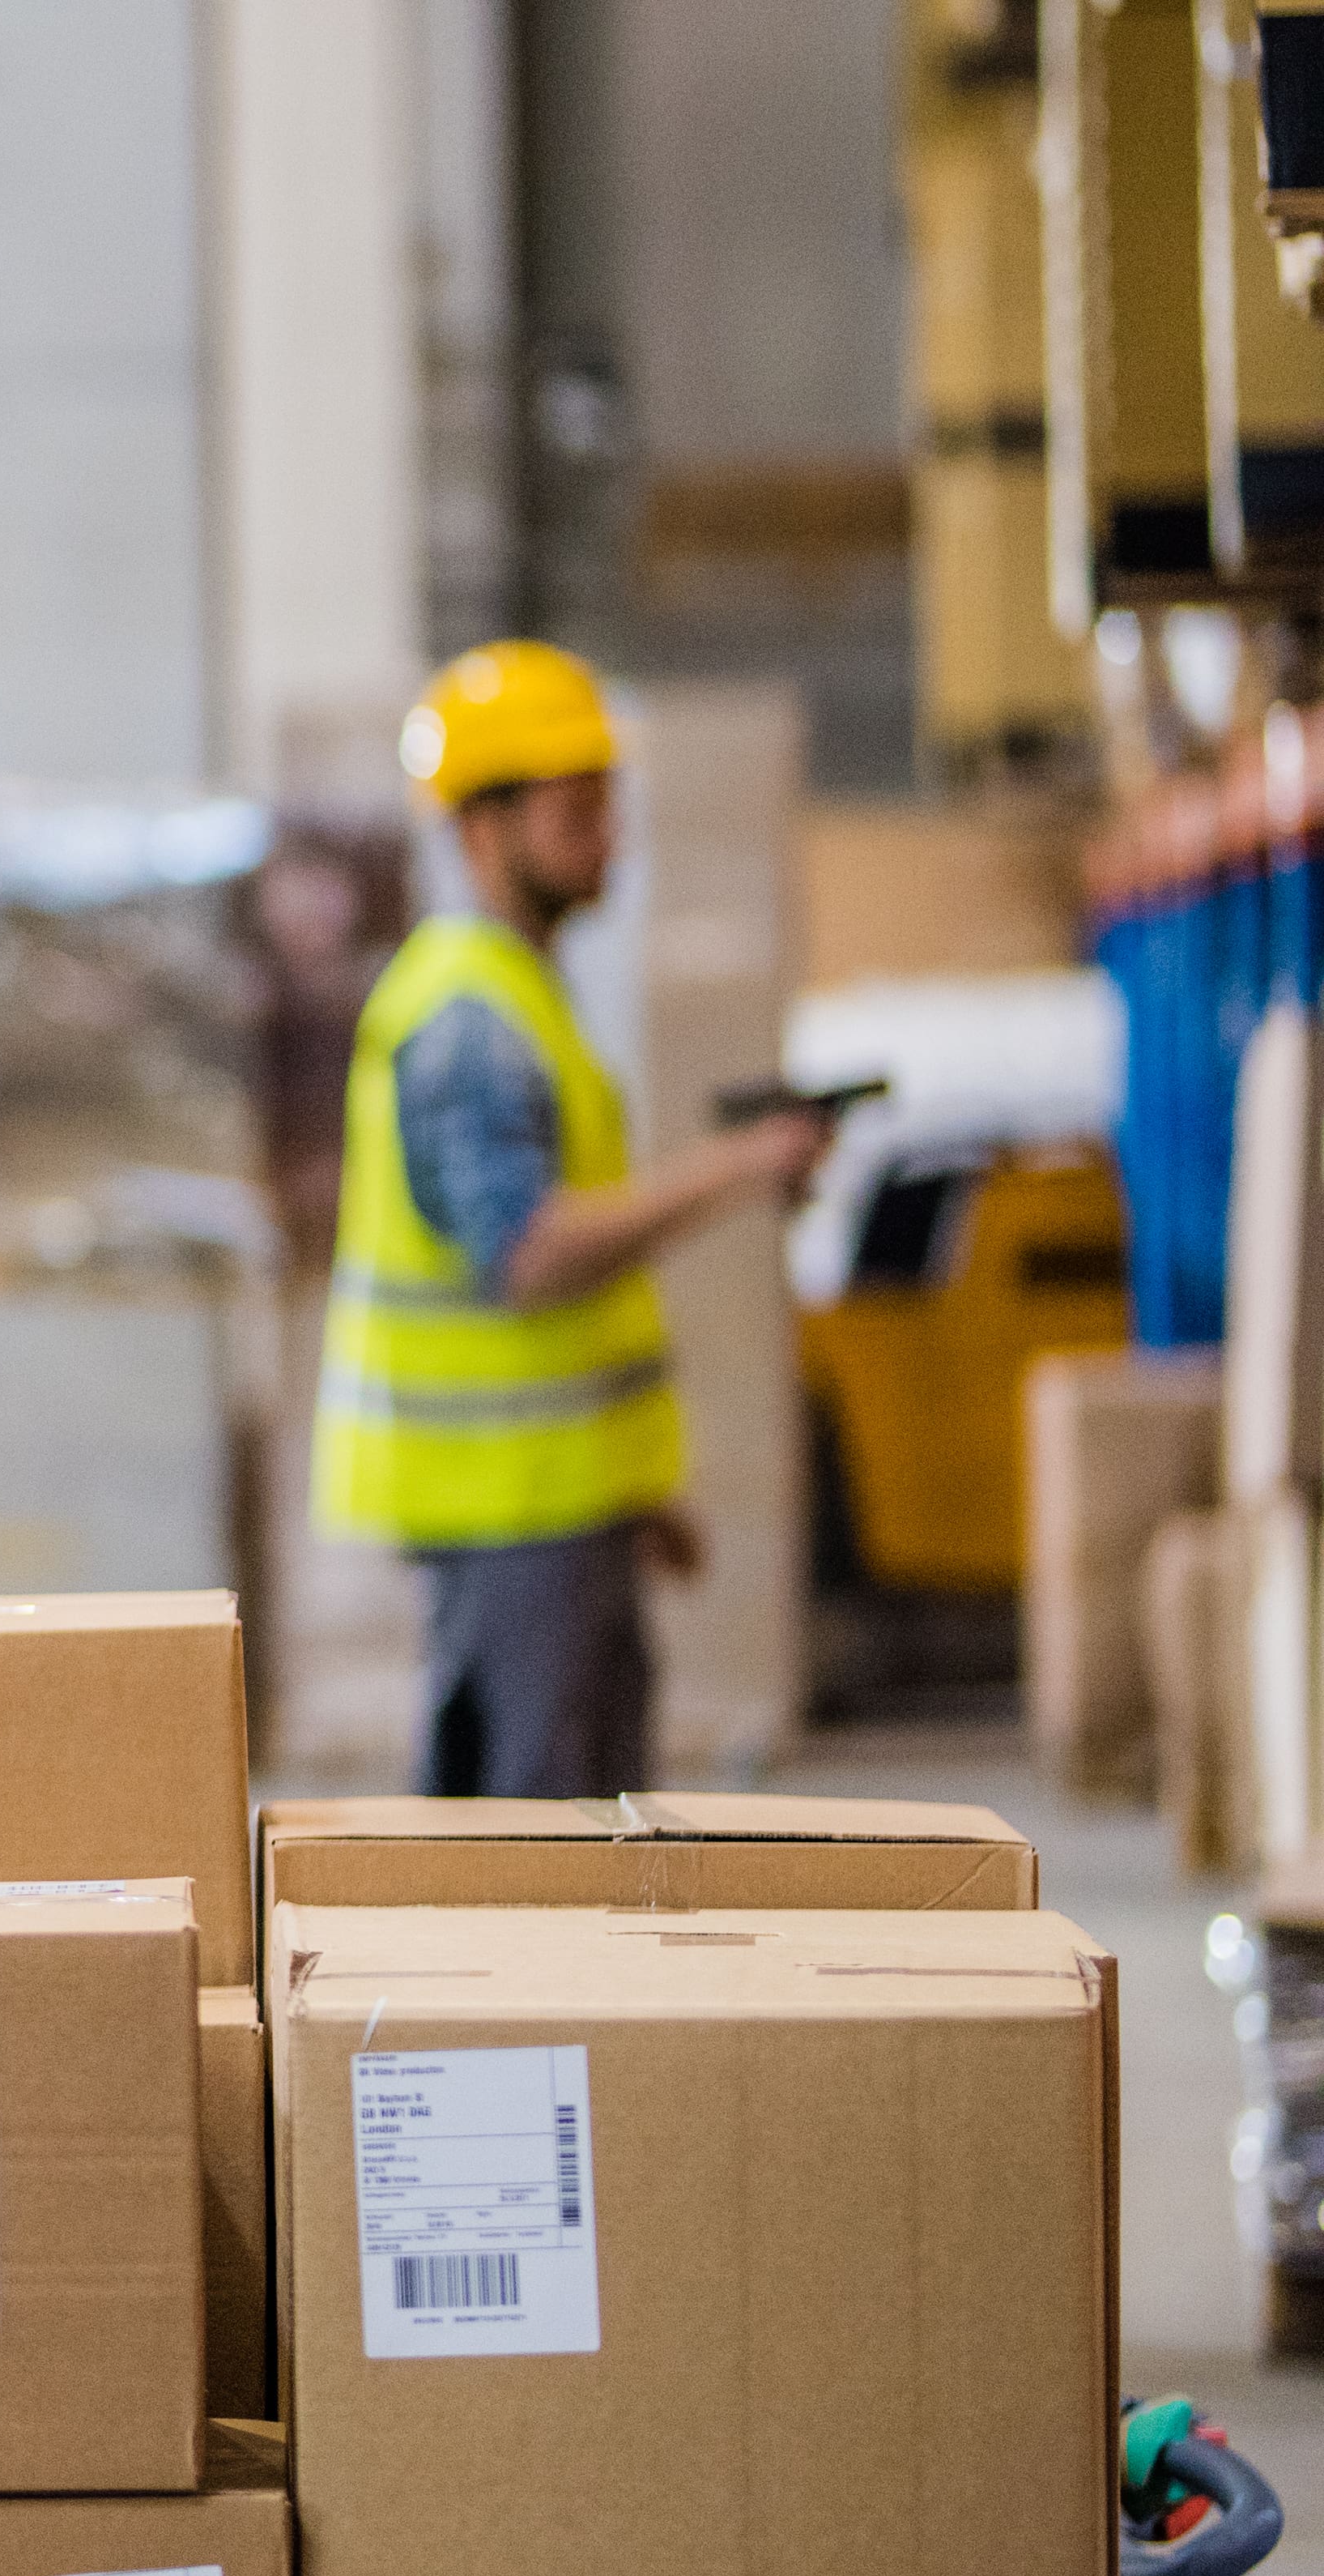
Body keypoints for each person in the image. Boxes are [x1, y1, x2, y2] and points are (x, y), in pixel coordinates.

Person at [311, 639, 833, 1800]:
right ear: (481, 826)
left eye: (608, 803)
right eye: (575, 807)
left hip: (558, 1513)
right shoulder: (469, 1020)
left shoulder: (523, 995)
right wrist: (737, 1167)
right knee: (531, 1854)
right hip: (509, 1516)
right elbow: (530, 1255)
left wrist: (629, 1500)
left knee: (581, 1836)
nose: (608, 834)